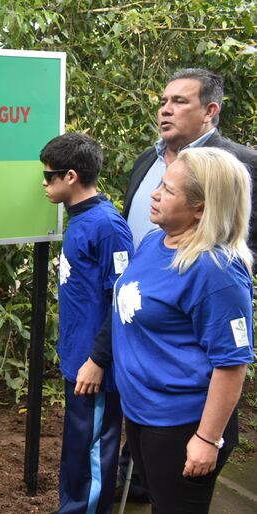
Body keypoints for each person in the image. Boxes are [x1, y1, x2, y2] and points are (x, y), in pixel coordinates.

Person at [113, 147, 254, 513]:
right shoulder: (154, 242)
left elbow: (232, 364)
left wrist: (208, 438)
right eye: (160, 183)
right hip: (145, 413)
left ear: (201, 209)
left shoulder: (215, 273)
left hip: (182, 425)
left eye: (169, 190)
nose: (156, 193)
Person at [41, 133, 133, 514]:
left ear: (71, 176)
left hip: (95, 366)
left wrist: (98, 360)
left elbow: (123, 300)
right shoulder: (80, 219)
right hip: (76, 357)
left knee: (93, 450)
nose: (44, 186)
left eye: (48, 178)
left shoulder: (108, 227)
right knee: (78, 446)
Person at [124, 68, 257, 251]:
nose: (165, 110)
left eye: (179, 102)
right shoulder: (146, 160)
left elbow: (250, 244)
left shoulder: (241, 164)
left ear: (209, 111)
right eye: (163, 103)